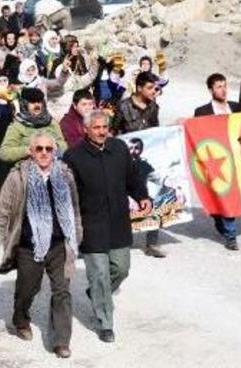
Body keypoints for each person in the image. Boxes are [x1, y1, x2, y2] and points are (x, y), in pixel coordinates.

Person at [62, 110, 150, 343]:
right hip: (92, 224)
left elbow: (132, 177)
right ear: (86, 129)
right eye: (97, 127)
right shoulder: (74, 156)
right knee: (99, 274)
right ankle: (105, 322)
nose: (102, 131)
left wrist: (141, 195)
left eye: (105, 127)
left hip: (118, 221)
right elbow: (68, 193)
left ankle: (98, 294)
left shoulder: (119, 148)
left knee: (121, 268)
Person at [0, 133, 81, 359]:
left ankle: (61, 341)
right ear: (31, 152)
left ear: (55, 152)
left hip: (59, 244)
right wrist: (5, 241)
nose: (44, 153)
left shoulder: (65, 175)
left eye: (49, 149)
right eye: (39, 149)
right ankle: (20, 318)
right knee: (27, 288)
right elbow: (2, 211)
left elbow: (74, 207)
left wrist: (77, 235)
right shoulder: (18, 177)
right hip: (28, 245)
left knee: (62, 291)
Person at [112, 71, 164, 257]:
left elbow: (156, 131)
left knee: (151, 194)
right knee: (124, 200)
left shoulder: (153, 107)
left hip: (145, 159)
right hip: (125, 161)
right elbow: (114, 132)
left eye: (155, 88)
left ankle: (152, 242)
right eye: (149, 88)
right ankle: (122, 240)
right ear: (139, 87)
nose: (153, 91)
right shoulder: (123, 106)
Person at [193, 73, 241, 250]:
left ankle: (229, 233)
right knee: (219, 197)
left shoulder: (237, 108)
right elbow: (196, 136)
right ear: (211, 90)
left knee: (228, 196)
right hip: (214, 162)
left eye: (224, 86)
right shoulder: (202, 112)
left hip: (235, 159)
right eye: (218, 87)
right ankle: (225, 227)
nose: (223, 90)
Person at [0, 88, 68, 165]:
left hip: (54, 165)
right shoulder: (17, 126)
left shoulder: (51, 122)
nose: (37, 105)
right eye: (32, 102)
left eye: (39, 102)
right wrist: (29, 150)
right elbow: (4, 153)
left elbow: (63, 144)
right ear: (24, 104)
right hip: (28, 168)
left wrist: (54, 146)